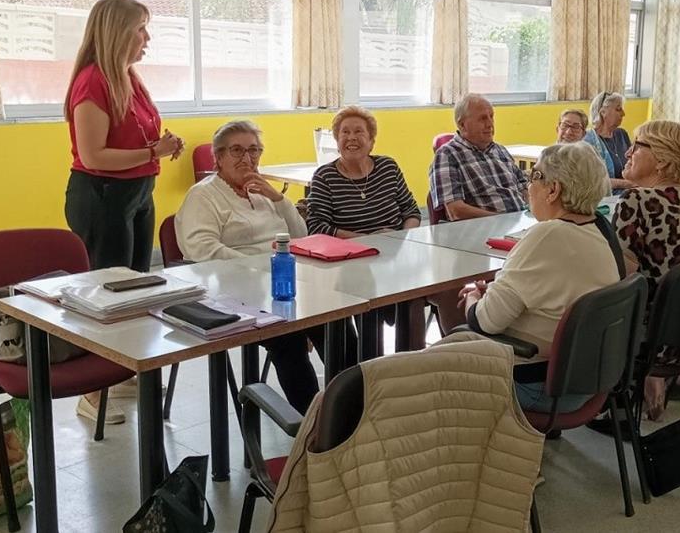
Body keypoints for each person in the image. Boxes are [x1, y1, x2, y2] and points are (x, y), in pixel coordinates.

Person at [63, 0, 185, 424]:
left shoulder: (128, 78)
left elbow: (135, 140)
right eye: (140, 29)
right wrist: (154, 149)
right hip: (102, 197)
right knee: (106, 295)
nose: (146, 38)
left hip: (136, 193)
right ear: (117, 32)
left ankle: (120, 373)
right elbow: (95, 155)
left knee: (135, 292)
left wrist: (161, 147)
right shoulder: (93, 81)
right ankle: (91, 391)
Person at [175, 120, 323, 413]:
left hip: (280, 284)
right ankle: (315, 425)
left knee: (336, 320)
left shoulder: (261, 191)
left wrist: (279, 199)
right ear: (217, 157)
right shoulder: (203, 196)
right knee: (289, 336)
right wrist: (257, 270)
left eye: (254, 150)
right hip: (231, 291)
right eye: (237, 151)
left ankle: (356, 406)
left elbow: (301, 236)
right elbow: (203, 250)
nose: (247, 158)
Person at [461, 143, 619, 412]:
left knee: (433, 362)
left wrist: (474, 296)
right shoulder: (599, 228)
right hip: (588, 380)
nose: (527, 186)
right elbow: (549, 287)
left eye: (534, 177)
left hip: (537, 385)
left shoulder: (546, 235)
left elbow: (485, 321)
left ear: (553, 190)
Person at [612, 120, 680, 419]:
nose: (628, 151)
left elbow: (620, 277)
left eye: (638, 145)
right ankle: (656, 376)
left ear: (661, 160)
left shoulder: (636, 201)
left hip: (647, 334)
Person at [305, 106, 421, 237]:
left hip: (395, 247)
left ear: (371, 142)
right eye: (345, 132)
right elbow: (317, 227)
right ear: (337, 141)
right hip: (350, 253)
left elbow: (411, 211)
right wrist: (368, 241)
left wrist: (402, 237)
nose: (351, 137)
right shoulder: (324, 177)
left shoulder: (388, 167)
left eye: (359, 131)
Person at [430, 93, 529, 221]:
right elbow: (455, 211)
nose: (490, 124)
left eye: (491, 117)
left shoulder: (500, 151)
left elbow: (525, 188)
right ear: (462, 125)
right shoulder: (448, 155)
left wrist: (532, 214)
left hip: (520, 224)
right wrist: (503, 220)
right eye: (482, 118)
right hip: (484, 230)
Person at [583, 91, 634, 191]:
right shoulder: (588, 140)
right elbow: (591, 180)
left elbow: (634, 164)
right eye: (618, 109)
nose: (623, 114)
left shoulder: (622, 134)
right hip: (603, 197)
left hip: (627, 192)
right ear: (603, 112)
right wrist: (629, 184)